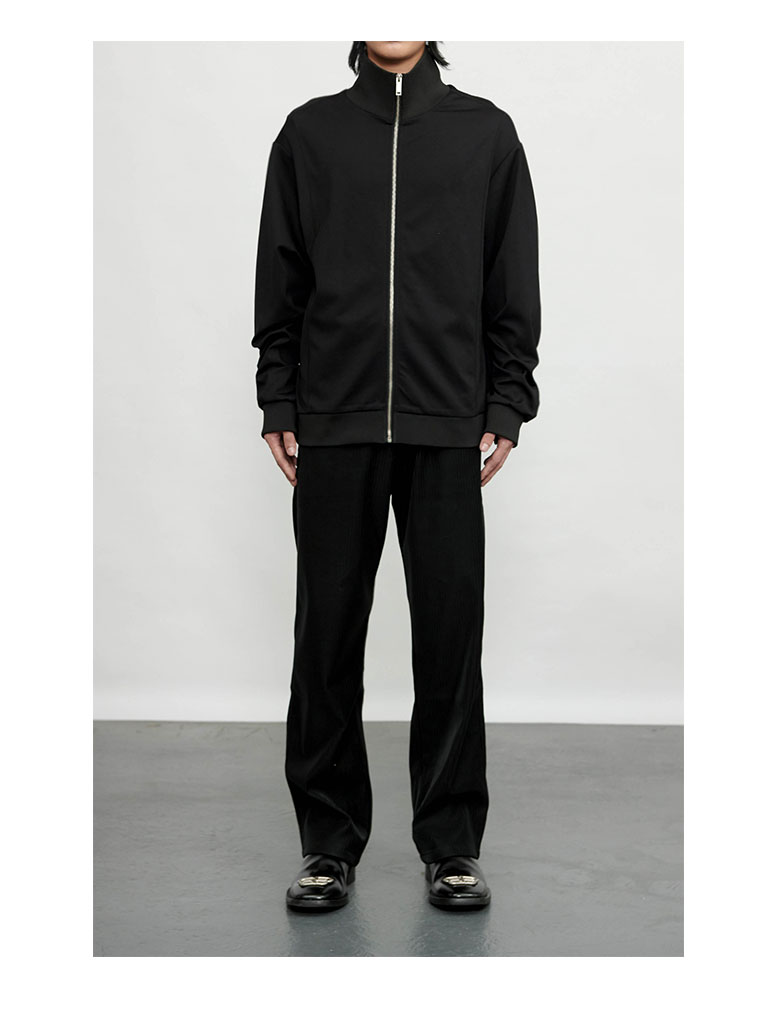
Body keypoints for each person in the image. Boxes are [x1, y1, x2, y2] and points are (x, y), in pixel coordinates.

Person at [251, 40, 541, 912]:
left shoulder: (485, 135)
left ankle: (451, 844)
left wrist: (506, 401)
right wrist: (279, 397)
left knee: (449, 639)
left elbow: (510, 279)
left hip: (445, 420)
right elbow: (280, 277)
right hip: (333, 420)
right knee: (326, 639)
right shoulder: (309, 134)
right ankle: (326, 843)